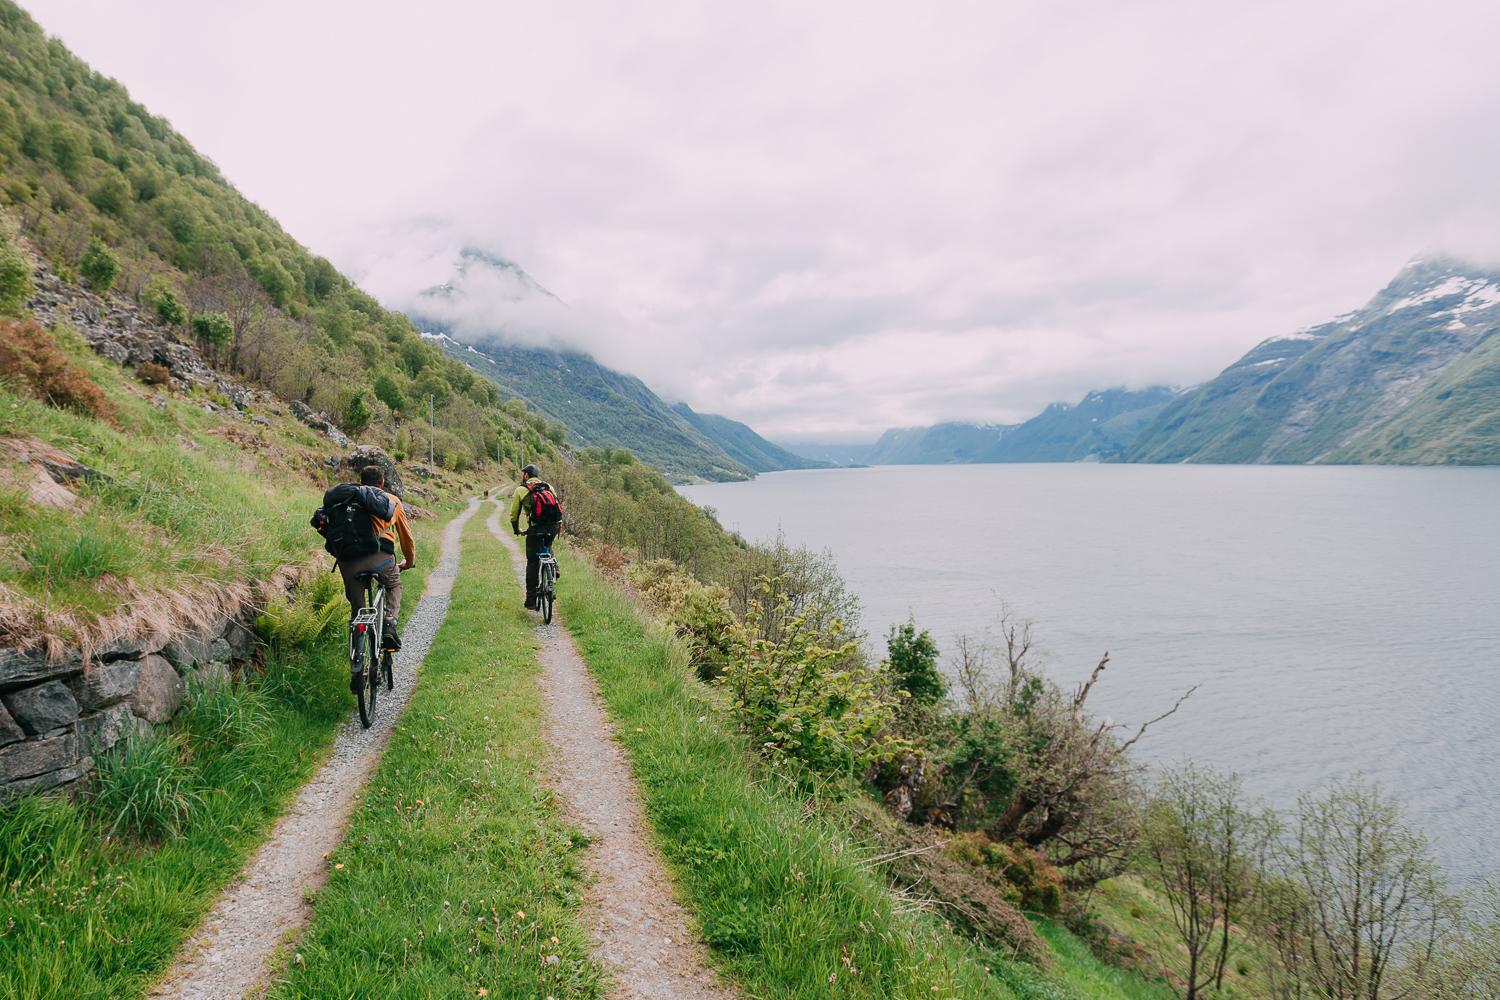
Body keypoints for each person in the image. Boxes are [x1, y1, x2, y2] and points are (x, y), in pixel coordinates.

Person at [334, 465, 415, 650]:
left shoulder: (348, 499)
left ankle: (357, 666)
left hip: (349, 562)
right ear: (382, 483)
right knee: (394, 585)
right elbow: (406, 538)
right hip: (382, 559)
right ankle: (389, 623)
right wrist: (408, 562)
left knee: (357, 613)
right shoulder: (392, 500)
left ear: (361, 482)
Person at [508, 463, 561, 609]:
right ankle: (553, 570)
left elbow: (514, 515)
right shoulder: (549, 487)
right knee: (547, 545)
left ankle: (531, 600)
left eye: (523, 473)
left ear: (526, 475)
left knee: (532, 561)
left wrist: (516, 529)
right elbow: (557, 505)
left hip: (536, 528)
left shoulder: (521, 489)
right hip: (554, 526)